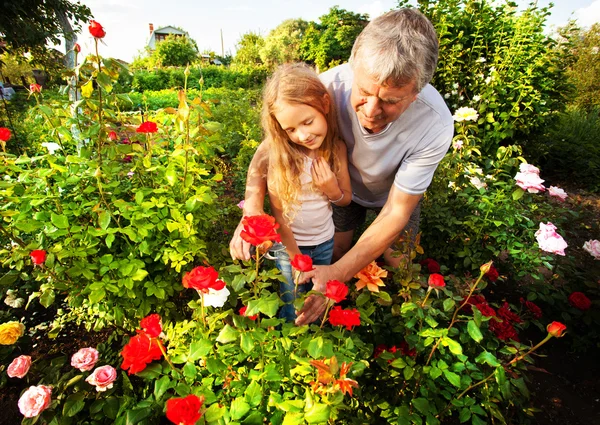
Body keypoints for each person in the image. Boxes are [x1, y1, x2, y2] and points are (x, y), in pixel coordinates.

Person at [230, 9, 453, 325]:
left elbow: (395, 212)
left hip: (390, 196)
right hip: (339, 187)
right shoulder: (327, 88)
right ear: (353, 69)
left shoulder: (435, 123)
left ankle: (404, 321)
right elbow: (268, 152)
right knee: (336, 254)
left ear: (416, 94)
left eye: (390, 100)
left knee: (398, 261)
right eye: (364, 92)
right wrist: (252, 209)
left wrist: (338, 273)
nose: (372, 111)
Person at [252, 63, 352, 321]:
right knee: (292, 299)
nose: (303, 135)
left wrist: (332, 190)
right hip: (290, 248)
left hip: (325, 241)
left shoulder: (336, 149)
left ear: (325, 105)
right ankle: (292, 340)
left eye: (308, 122)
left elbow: (346, 199)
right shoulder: (282, 159)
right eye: (291, 130)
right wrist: (296, 259)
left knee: (317, 297)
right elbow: (280, 216)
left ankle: (315, 338)